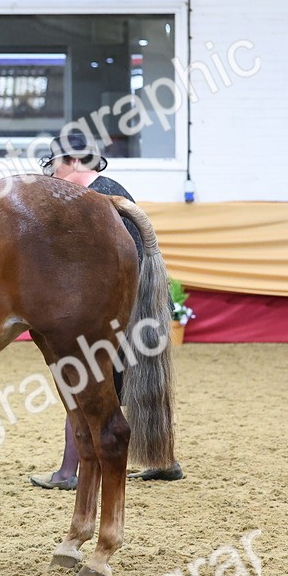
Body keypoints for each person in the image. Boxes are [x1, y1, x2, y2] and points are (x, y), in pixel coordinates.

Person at [29, 132, 184, 490]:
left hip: (124, 310)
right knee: (143, 385)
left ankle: (69, 472)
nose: (51, 174)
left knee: (82, 383)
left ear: (71, 161)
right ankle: (163, 459)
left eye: (53, 165)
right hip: (139, 306)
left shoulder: (97, 199)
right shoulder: (109, 190)